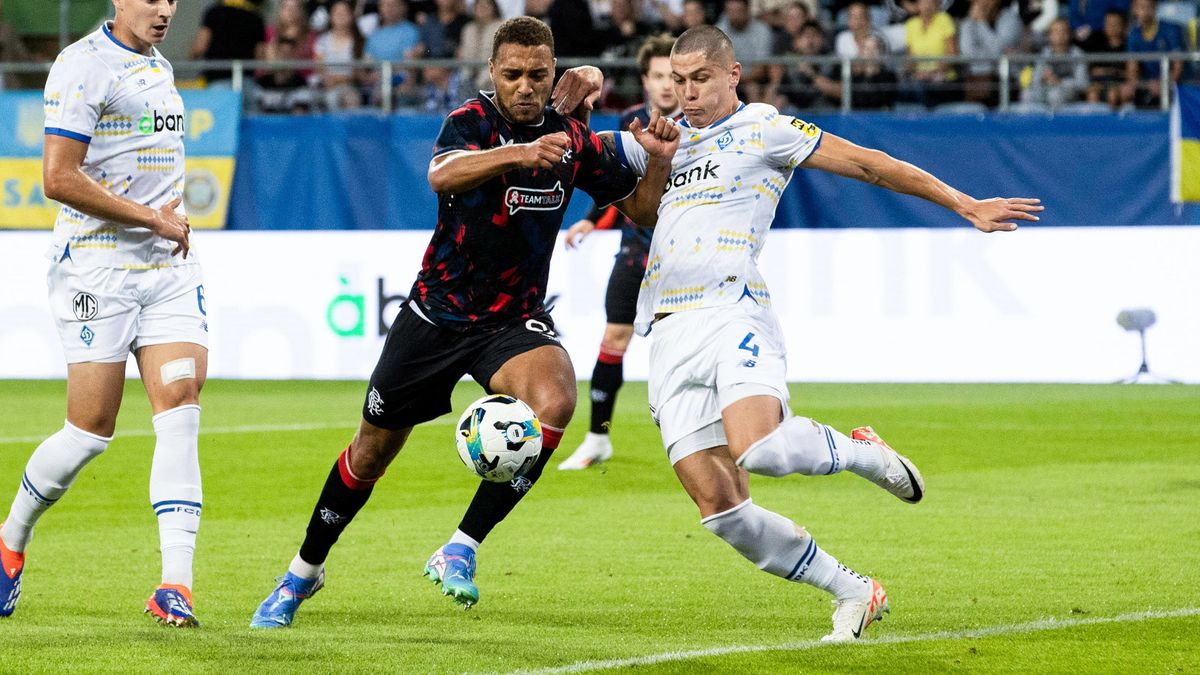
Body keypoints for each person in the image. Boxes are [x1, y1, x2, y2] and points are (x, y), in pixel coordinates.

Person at [613, 25, 1042, 641]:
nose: (687, 93)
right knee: (721, 510)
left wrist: (964, 203)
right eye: (677, 81)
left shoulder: (766, 128)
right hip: (669, 330)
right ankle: (854, 591)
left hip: (733, 309)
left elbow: (871, 165)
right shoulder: (663, 142)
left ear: (733, 75)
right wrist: (626, 141)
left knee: (759, 447)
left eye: (700, 79)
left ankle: (863, 451)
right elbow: (635, 205)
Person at [249, 17, 679, 628]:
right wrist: (521, 153)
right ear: (492, 75)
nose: (525, 87)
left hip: (511, 322)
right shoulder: (470, 123)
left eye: (538, 75)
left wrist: (658, 160)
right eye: (512, 75)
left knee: (556, 401)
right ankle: (301, 573)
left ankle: (462, 546)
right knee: (369, 455)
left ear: (553, 73)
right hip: (435, 316)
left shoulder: (573, 138)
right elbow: (441, 174)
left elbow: (641, 210)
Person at [1, 0, 205, 627]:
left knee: (181, 405)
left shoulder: (158, 63)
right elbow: (58, 179)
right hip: (96, 267)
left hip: (168, 268)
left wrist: (164, 220)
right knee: (90, 430)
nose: (166, 8)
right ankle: (10, 542)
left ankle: (175, 584)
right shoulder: (81, 65)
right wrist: (150, 216)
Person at [558, 34, 680, 471]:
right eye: (658, 76)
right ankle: (598, 437)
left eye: (674, 76)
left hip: (684, 255)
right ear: (646, 80)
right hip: (636, 251)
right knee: (614, 338)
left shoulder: (702, 124)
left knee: (692, 347)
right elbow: (611, 180)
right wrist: (592, 218)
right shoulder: (630, 123)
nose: (667, 85)